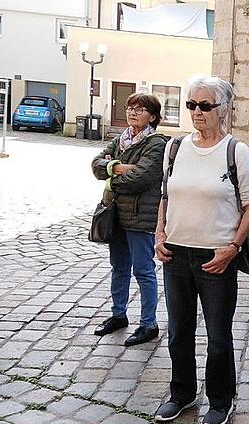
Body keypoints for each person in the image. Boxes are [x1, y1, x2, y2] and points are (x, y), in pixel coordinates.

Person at [153, 76, 249, 424]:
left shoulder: (236, 151)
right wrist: (159, 232)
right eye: (191, 105)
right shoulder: (175, 148)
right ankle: (181, 393)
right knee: (178, 332)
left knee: (218, 335)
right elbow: (166, 195)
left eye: (205, 105)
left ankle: (220, 400)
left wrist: (233, 247)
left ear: (223, 109)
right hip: (176, 254)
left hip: (216, 257)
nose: (197, 112)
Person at [91, 93, 166, 347]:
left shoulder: (156, 143)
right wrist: (116, 168)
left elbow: (142, 177)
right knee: (119, 267)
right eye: (130, 107)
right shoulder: (120, 140)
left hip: (140, 216)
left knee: (144, 271)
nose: (133, 112)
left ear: (153, 116)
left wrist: (110, 177)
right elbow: (95, 165)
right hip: (115, 214)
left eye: (140, 109)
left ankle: (148, 323)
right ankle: (118, 314)